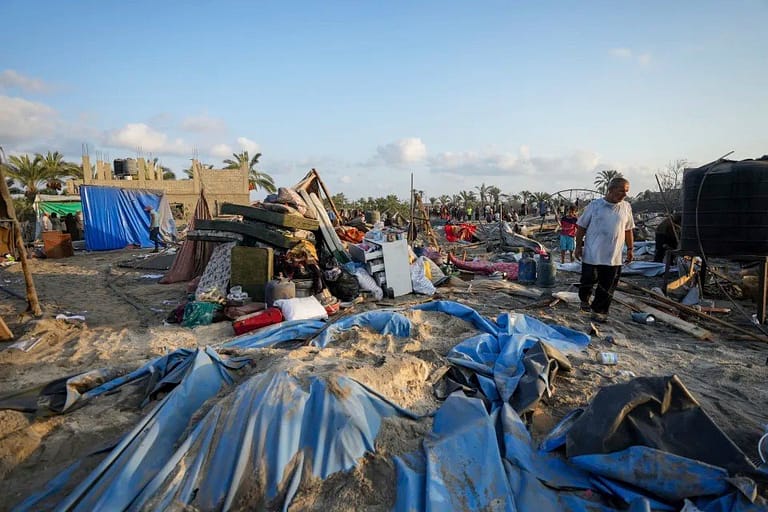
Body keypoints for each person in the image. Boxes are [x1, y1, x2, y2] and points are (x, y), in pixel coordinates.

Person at [575, 177, 634, 323]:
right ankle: (584, 299)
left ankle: (599, 311)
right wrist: (578, 246)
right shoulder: (595, 206)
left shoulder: (626, 207)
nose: (624, 194)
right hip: (592, 253)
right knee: (588, 281)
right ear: (611, 189)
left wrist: (631, 249)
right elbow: (581, 226)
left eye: (626, 191)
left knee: (608, 286)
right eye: (621, 190)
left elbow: (628, 230)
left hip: (614, 255)